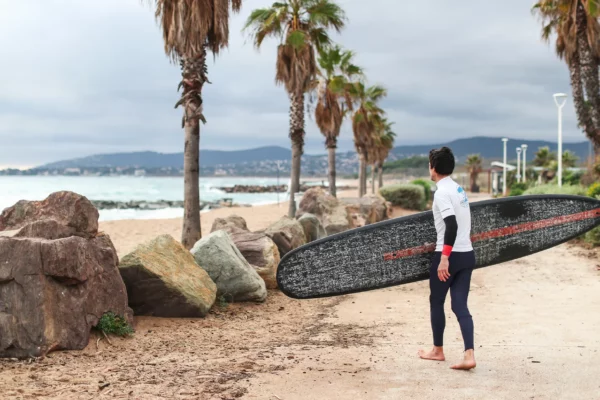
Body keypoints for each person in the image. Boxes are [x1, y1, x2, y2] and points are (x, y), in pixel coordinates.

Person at [418, 146, 476, 370]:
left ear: (433, 167)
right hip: (467, 254)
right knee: (460, 305)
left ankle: (437, 351)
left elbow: (451, 224)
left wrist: (444, 258)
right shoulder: (459, 189)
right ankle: (469, 355)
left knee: (436, 301)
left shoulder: (441, 192)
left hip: (450, 255)